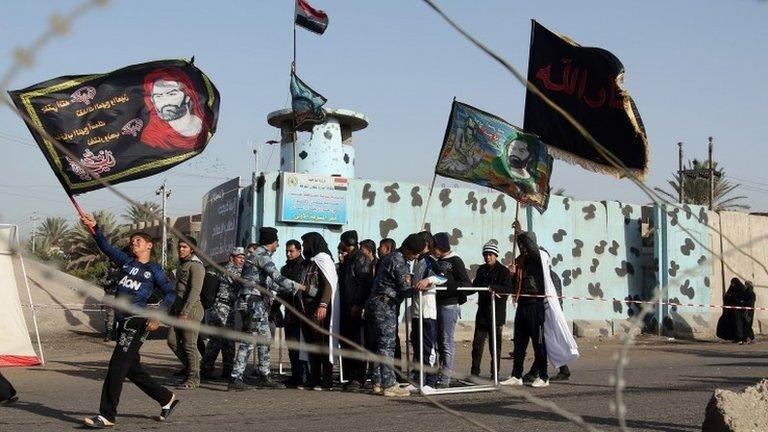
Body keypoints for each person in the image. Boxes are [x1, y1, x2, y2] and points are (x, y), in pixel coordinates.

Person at [79, 212, 178, 428]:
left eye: (138, 241)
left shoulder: (154, 270)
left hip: (138, 320)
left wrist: (158, 314)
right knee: (131, 369)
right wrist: (95, 227)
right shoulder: (126, 262)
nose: (134, 244)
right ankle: (166, 398)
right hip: (121, 322)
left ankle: (107, 415)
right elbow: (106, 247)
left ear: (149, 246)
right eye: (132, 242)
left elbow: (170, 293)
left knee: (116, 367)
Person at [229, 227, 306, 391]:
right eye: (277, 242)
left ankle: (264, 375)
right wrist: (302, 288)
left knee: (265, 338)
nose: (278, 246)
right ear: (272, 242)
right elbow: (278, 278)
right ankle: (235, 378)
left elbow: (271, 284)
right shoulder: (262, 256)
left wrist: (287, 290)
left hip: (258, 303)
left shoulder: (255, 256)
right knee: (248, 341)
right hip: (253, 302)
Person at [366, 233, 427, 397]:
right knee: (387, 345)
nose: (415, 257)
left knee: (377, 344)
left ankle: (377, 381)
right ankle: (389, 384)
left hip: (375, 303)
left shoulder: (391, 257)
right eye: (414, 254)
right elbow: (405, 289)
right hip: (385, 305)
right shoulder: (399, 261)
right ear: (407, 248)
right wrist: (422, 286)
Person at [501, 221, 550, 388]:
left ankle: (543, 376)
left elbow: (533, 249)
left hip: (535, 305)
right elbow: (515, 284)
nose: (522, 247)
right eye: (520, 244)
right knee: (519, 342)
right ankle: (516, 374)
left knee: (538, 343)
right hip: (521, 303)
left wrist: (520, 233)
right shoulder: (519, 261)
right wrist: (512, 274)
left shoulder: (539, 258)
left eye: (524, 244)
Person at [299, 232, 340, 391]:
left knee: (322, 345)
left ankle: (327, 381)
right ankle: (313, 378)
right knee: (311, 345)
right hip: (306, 310)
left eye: (305, 244)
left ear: (313, 243)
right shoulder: (309, 262)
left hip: (319, 311)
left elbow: (328, 285)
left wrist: (323, 305)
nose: (304, 247)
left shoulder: (323, 260)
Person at [407, 232, 445, 393]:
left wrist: (428, 280)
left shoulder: (430, 261)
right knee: (416, 346)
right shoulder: (417, 261)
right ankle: (417, 379)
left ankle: (431, 382)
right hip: (416, 311)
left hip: (428, 312)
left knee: (428, 347)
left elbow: (443, 277)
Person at [433, 232, 472, 387]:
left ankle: (446, 377)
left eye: (435, 247)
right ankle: (439, 372)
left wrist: (451, 288)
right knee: (438, 342)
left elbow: (466, 283)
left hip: (449, 304)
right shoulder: (437, 261)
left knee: (446, 341)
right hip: (437, 303)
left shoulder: (455, 261)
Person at [201, 247, 246, 381]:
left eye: (243, 258)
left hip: (229, 308)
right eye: (239, 257)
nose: (242, 260)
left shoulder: (237, 270)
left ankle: (227, 370)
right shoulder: (230, 269)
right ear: (232, 258)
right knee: (217, 340)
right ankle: (206, 369)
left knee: (228, 341)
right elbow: (241, 284)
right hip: (221, 307)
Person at [470, 242, 513, 378]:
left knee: (495, 347)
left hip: (496, 314)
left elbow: (508, 289)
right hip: (482, 313)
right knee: (477, 346)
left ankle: (495, 373)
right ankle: (474, 373)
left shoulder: (503, 271)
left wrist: (495, 288)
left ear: (495, 255)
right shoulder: (481, 270)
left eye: (490, 255)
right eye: (486, 255)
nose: (488, 257)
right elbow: (475, 286)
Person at [167, 238, 205, 389]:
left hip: (191, 310)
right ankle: (194, 365)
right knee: (172, 341)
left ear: (192, 249)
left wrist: (185, 311)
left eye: (184, 247)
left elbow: (195, 291)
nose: (181, 249)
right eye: (179, 247)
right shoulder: (183, 265)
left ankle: (193, 378)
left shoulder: (196, 266)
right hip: (179, 309)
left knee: (189, 345)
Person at [338, 230, 373, 391]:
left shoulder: (361, 259)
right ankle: (350, 376)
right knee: (347, 342)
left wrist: (358, 304)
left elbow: (364, 283)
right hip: (346, 306)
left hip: (355, 307)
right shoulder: (349, 259)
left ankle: (358, 378)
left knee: (357, 343)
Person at [140, 67, 208, 150]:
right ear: (152, 101)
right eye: (158, 96)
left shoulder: (205, 123)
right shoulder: (151, 137)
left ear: (187, 96)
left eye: (172, 94)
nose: (165, 102)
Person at [279, 240, 308, 387]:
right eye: (287, 251)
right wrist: (275, 308)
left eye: (291, 251)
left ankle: (303, 375)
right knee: (291, 345)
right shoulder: (285, 269)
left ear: (299, 250)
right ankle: (296, 375)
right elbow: (281, 291)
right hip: (288, 310)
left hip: (300, 312)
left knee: (300, 345)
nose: (289, 254)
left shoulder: (304, 267)